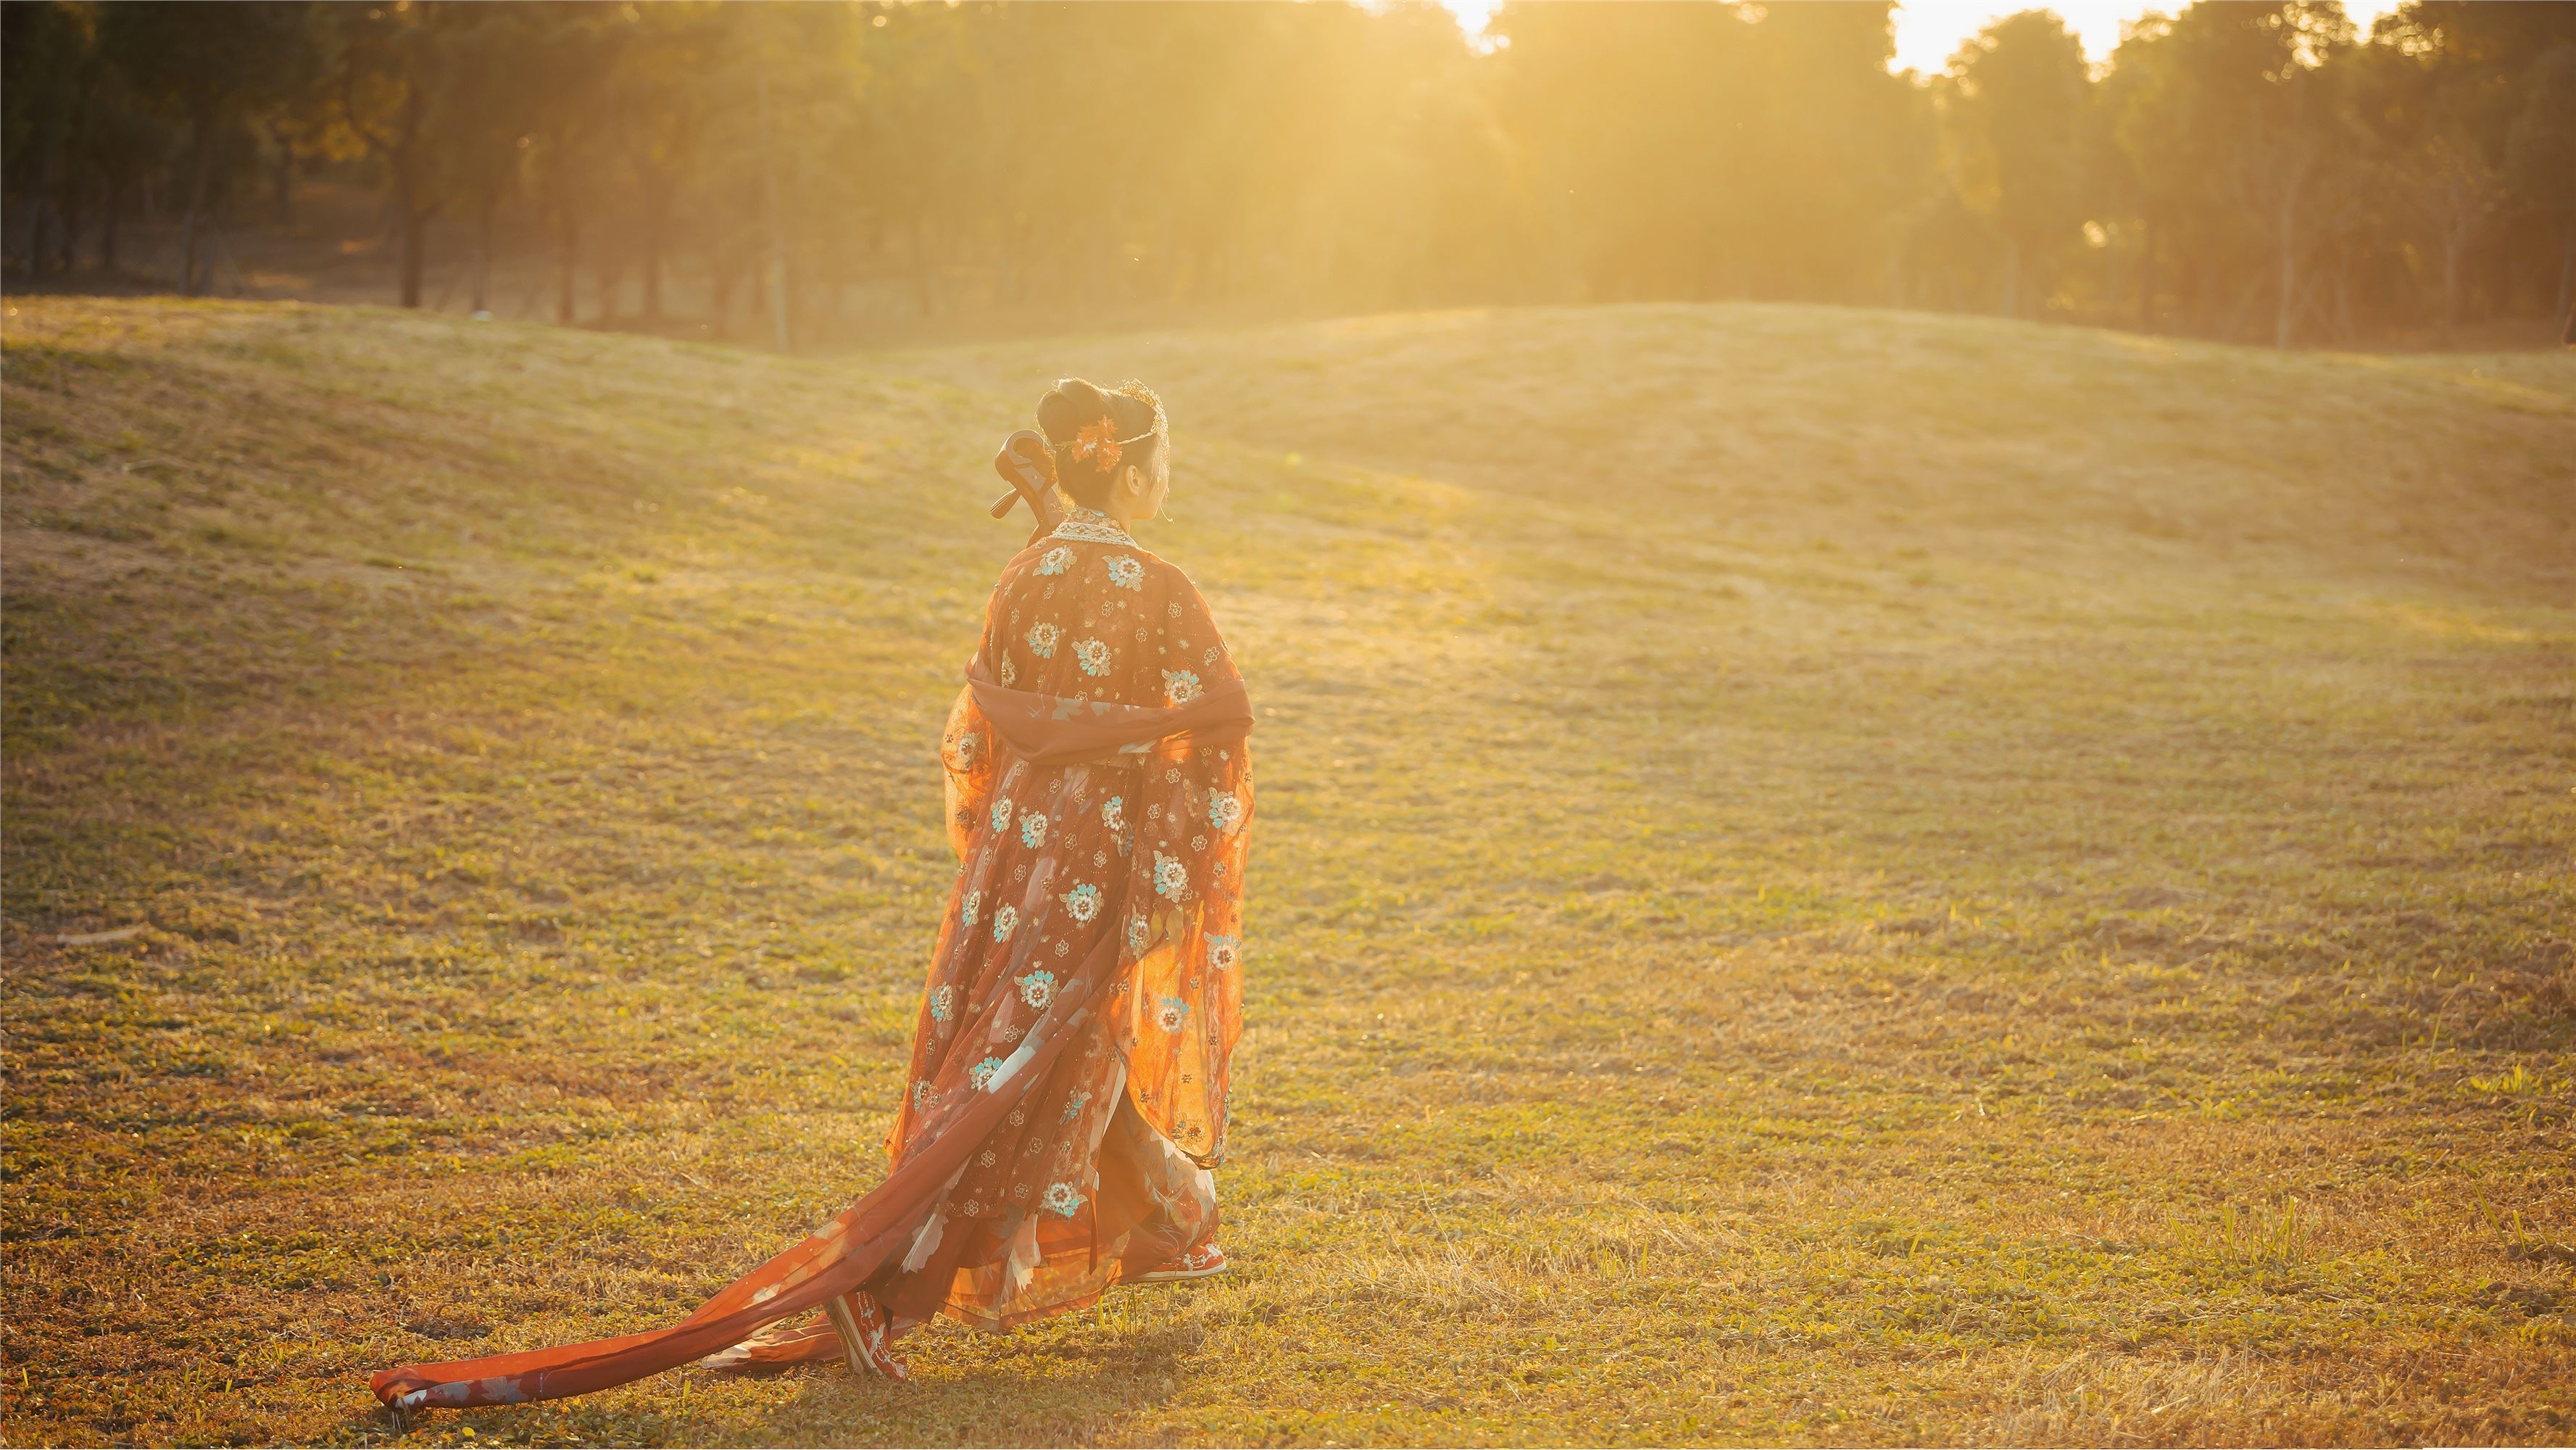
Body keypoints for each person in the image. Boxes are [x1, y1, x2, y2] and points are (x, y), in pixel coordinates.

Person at [372, 378, 1253, 1410]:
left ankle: (1173, 1217)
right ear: (1134, 466)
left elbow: (996, 714)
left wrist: (1038, 763)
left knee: (1025, 1043)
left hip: (1014, 852)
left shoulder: (1024, 574)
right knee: (1024, 1062)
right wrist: (1143, 773)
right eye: (1164, 465)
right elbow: (1221, 712)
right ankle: (889, 1289)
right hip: (1098, 847)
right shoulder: (1159, 583)